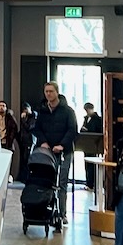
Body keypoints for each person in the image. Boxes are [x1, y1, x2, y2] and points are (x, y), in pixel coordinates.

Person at [33, 82, 79, 224]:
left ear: (57, 92)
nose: (48, 94)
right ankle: (49, 211)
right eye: (46, 91)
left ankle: (62, 213)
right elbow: (37, 129)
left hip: (65, 151)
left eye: (51, 91)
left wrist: (62, 145)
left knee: (62, 182)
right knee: (49, 181)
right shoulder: (42, 111)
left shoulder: (68, 111)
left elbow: (72, 130)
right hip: (48, 152)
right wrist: (43, 142)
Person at [0, 100, 21, 181]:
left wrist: (10, 138)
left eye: (3, 106)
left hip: (7, 141)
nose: (1, 107)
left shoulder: (10, 117)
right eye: (0, 105)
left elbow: (15, 128)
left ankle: (8, 176)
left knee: (8, 160)